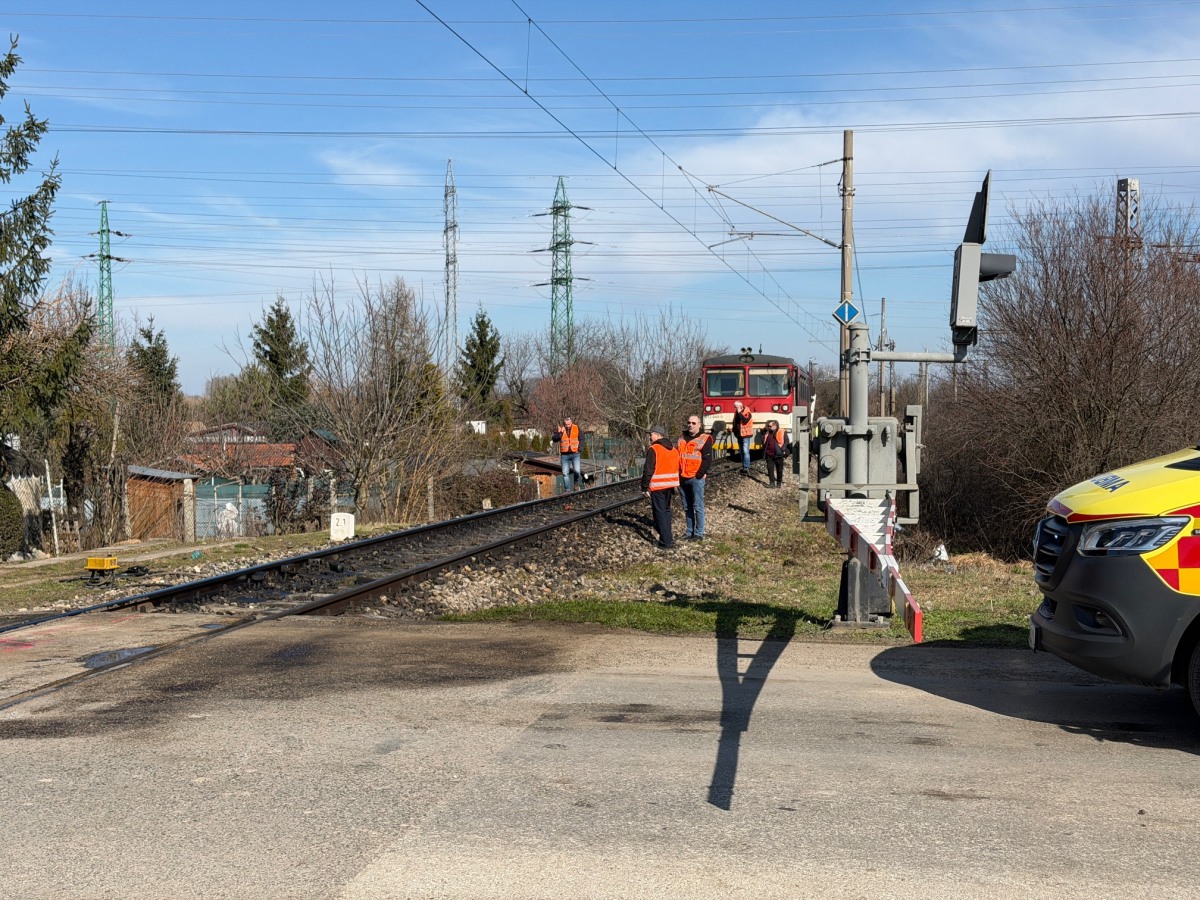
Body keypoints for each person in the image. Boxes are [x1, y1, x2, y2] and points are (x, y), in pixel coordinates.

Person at [640, 424, 680, 549]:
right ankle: (668, 537)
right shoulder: (673, 449)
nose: (649, 436)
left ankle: (665, 542)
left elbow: (648, 470)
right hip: (671, 485)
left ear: (658, 435)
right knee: (666, 512)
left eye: (651, 434)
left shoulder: (654, 449)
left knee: (660, 513)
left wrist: (644, 487)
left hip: (658, 486)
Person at [677, 415, 713, 541]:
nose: (690, 425)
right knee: (687, 506)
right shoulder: (681, 438)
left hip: (695, 477)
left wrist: (699, 474)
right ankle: (689, 531)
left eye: (693, 423)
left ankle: (699, 533)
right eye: (689, 422)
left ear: (699, 425)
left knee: (698, 506)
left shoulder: (705, 438)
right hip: (682, 477)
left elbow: (707, 459)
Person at [552, 415, 582, 491]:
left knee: (577, 471)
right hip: (564, 455)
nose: (568, 426)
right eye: (566, 425)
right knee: (565, 473)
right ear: (564, 424)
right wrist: (560, 433)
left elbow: (582, 438)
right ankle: (567, 490)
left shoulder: (576, 428)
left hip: (575, 453)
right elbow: (554, 439)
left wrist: (580, 449)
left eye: (569, 424)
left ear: (571, 423)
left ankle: (576, 484)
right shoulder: (561, 430)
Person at [761, 419, 791, 489]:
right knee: (770, 469)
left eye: (770, 426)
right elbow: (764, 442)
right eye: (768, 426)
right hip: (769, 454)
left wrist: (782, 449)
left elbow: (786, 441)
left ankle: (779, 483)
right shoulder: (767, 432)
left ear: (775, 426)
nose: (769, 427)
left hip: (778, 454)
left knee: (779, 469)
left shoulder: (782, 431)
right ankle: (772, 483)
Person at [732, 400, 754, 474]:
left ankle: (746, 467)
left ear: (740, 406)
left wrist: (739, 413)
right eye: (735, 407)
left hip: (746, 434)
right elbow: (734, 422)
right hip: (739, 435)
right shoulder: (736, 413)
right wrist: (734, 431)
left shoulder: (747, 412)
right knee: (741, 451)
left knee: (745, 451)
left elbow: (745, 420)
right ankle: (744, 466)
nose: (735, 408)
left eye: (736, 407)